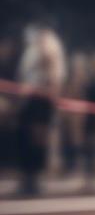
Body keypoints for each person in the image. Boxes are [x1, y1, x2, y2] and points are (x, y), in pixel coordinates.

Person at [14, 21, 67, 197]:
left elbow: (50, 65)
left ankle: (32, 179)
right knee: (28, 138)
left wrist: (49, 88)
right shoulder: (34, 46)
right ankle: (29, 178)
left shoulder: (48, 42)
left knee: (36, 138)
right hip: (31, 97)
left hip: (40, 97)